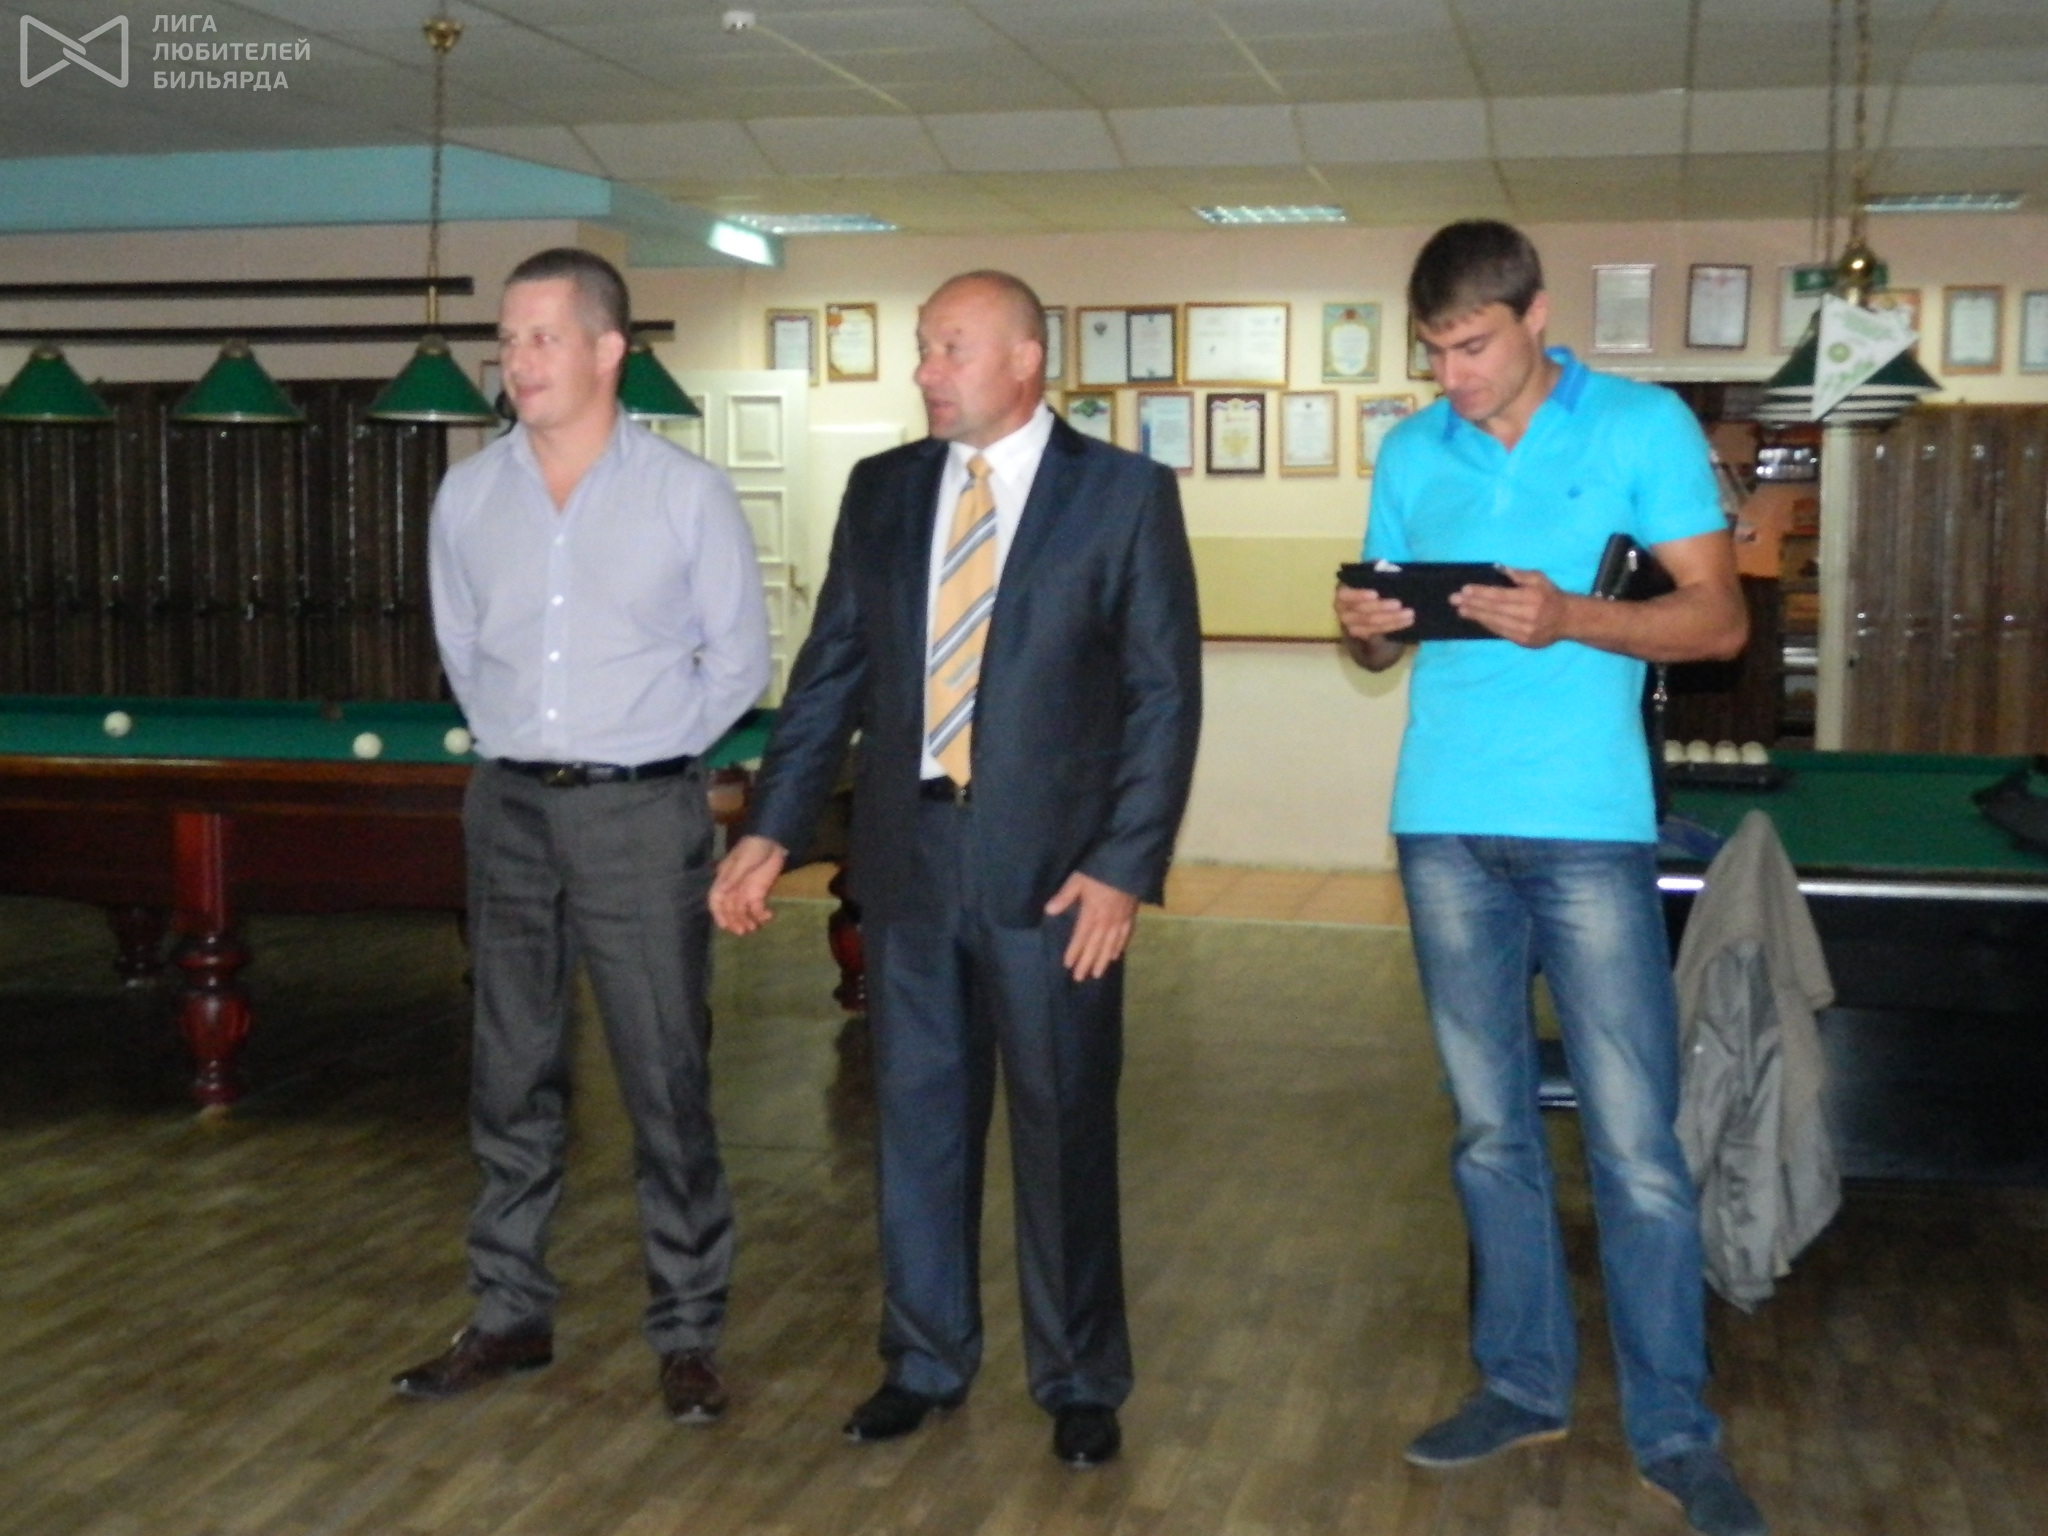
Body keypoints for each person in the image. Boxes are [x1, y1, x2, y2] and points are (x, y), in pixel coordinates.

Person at [710, 270, 1201, 1468]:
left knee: (1062, 1130)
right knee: (917, 1127)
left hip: (1058, 880)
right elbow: (829, 673)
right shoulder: (882, 491)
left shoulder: (1121, 495)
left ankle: (1078, 1377)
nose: (924, 371)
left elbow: (1161, 696)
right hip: (909, 860)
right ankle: (922, 1360)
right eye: (923, 348)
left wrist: (1122, 867)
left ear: (1025, 359)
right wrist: (771, 828)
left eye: (950, 349)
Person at [1335, 221, 1766, 1536]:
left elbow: (1719, 621)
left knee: (1635, 1146)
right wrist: (1366, 629)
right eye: (1433, 352)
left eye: (1471, 346)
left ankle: (1673, 1427)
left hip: (1587, 827)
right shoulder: (1413, 452)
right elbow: (1375, 647)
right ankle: (1520, 1383)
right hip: (1442, 824)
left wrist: (1569, 615)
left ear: (1533, 317)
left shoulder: (1640, 426)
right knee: (1487, 1134)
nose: (1450, 375)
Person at [397, 247, 770, 1424]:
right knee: (509, 1073)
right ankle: (509, 1312)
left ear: (609, 350)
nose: (517, 361)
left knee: (664, 1078)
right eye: (506, 340)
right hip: (506, 809)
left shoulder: (685, 494)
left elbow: (739, 662)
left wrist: (643, 750)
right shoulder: (468, 497)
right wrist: (531, 740)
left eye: (542, 337)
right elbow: (463, 651)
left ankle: (688, 1330)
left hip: (640, 815)